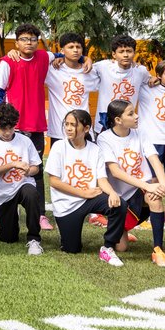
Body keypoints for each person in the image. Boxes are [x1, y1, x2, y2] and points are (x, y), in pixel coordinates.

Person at [97, 100, 165, 268]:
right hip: (121, 197)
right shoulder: (104, 138)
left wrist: (162, 183)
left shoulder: (140, 132)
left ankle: (158, 250)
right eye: (131, 114)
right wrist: (148, 186)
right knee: (121, 248)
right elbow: (115, 172)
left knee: (154, 198)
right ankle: (122, 229)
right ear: (118, 120)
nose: (136, 116)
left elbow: (154, 159)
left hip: (142, 188)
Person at [46, 109, 127, 265]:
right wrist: (83, 193)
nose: (68, 128)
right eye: (66, 124)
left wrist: (112, 193)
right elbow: (54, 182)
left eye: (73, 125)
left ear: (87, 128)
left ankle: (108, 248)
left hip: (89, 198)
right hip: (67, 205)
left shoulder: (95, 149)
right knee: (72, 249)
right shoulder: (58, 147)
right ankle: (66, 235)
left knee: (119, 204)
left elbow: (101, 179)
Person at [0, 24, 53, 230]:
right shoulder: (8, 62)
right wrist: (3, 120)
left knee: (36, 170)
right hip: (14, 125)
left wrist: (84, 60)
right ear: (16, 42)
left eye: (33, 39)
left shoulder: (44, 57)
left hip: (35, 125)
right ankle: (5, 213)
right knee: (7, 167)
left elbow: (64, 55)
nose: (29, 43)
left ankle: (41, 215)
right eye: (24, 39)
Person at [0, 103, 42, 255]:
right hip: (4, 193)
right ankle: (12, 217)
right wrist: (12, 164)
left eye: (11, 128)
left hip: (23, 185)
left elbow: (36, 168)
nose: (7, 132)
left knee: (31, 194)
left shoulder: (25, 141)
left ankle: (34, 238)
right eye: (3, 128)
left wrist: (28, 171)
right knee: (8, 238)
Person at [44, 33, 98, 150]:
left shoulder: (90, 71)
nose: (75, 50)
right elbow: (35, 57)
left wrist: (87, 59)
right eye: (71, 47)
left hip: (83, 130)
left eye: (78, 47)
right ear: (62, 50)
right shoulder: (52, 70)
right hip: (59, 132)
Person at [92, 35, 148, 132]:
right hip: (104, 124)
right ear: (114, 54)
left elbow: (154, 81)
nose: (125, 55)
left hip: (128, 125)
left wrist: (154, 79)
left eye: (129, 51)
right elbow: (82, 68)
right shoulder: (103, 67)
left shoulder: (141, 71)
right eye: (121, 52)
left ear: (134, 53)